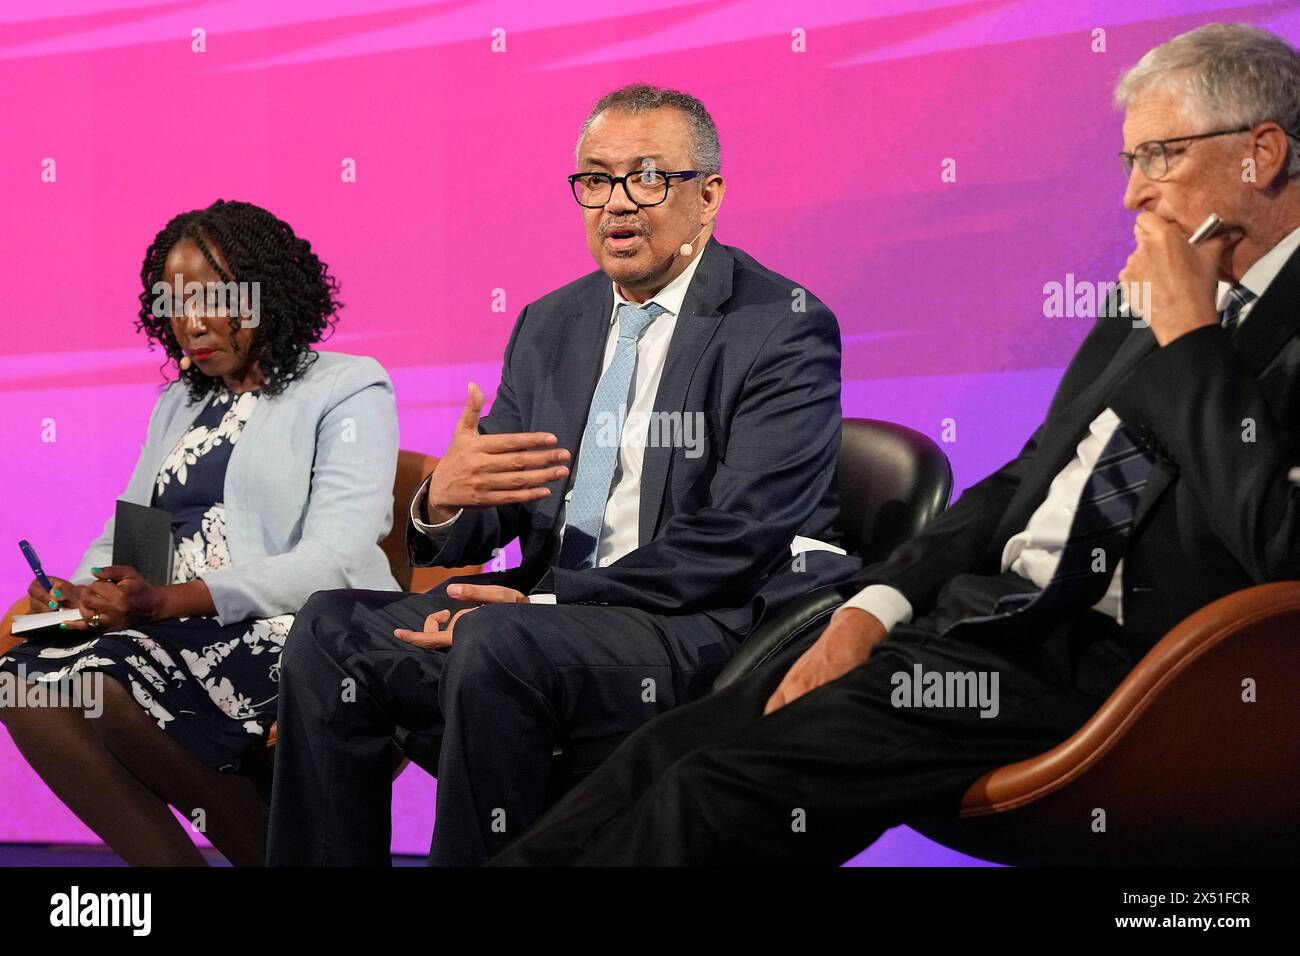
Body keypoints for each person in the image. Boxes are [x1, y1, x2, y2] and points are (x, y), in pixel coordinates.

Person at [488, 23, 1300, 866]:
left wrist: (1193, 342)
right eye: (1130, 161)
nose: (1135, 194)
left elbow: (1284, 543)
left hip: (1116, 670)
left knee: (717, 789)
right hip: (972, 621)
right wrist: (874, 605)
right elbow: (1026, 477)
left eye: (1160, 156)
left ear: (1263, 151)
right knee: (657, 754)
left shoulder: (1189, 310)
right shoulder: (1159, 300)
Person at [267, 84, 860, 866]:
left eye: (649, 177)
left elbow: (737, 539)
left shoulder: (781, 327)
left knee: (498, 642)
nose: (617, 205)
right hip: (544, 617)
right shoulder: (551, 323)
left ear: (709, 195)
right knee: (330, 628)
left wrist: (541, 599)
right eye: (595, 180)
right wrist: (444, 500)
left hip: (698, 626)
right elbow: (494, 514)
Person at [0, 199, 400, 865]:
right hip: (172, 630)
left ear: (264, 296)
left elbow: (336, 557)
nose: (188, 324)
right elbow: (137, 537)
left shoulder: (346, 387)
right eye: (173, 304)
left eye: (209, 299)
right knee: (23, 681)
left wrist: (170, 601)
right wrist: (86, 589)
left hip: (300, 633)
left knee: (96, 685)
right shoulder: (179, 403)